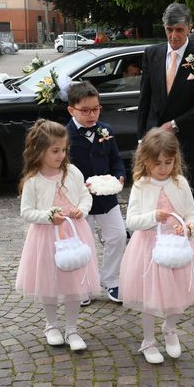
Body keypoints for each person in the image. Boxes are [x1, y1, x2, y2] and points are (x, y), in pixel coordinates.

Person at [119, 129, 194, 364]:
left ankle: (170, 328)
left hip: (178, 246)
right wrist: (154, 216)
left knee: (179, 294)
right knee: (150, 297)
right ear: (145, 160)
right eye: (157, 163)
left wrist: (187, 228)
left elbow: (191, 214)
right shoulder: (141, 186)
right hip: (149, 248)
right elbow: (132, 220)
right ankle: (148, 340)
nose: (163, 168)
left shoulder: (180, 183)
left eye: (168, 162)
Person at [15, 119, 101, 351]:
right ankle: (51, 325)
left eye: (64, 150)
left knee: (74, 285)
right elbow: (26, 212)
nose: (61, 155)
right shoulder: (34, 180)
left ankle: (72, 328)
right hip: (46, 238)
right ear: (38, 151)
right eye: (55, 151)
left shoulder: (72, 172)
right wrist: (47, 216)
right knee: (49, 282)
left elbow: (85, 196)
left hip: (74, 232)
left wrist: (81, 210)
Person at [137, 2, 194, 192]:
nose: (173, 36)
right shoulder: (151, 53)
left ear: (189, 27)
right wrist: (142, 139)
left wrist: (175, 125)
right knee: (157, 194)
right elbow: (144, 100)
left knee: (186, 193)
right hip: (154, 138)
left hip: (187, 140)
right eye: (169, 30)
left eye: (179, 30)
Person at [65, 82, 127, 306]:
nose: (92, 114)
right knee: (83, 244)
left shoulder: (106, 130)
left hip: (107, 197)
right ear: (72, 110)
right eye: (86, 110)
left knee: (118, 236)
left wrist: (119, 176)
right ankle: (83, 283)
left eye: (96, 109)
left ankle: (110, 278)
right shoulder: (65, 136)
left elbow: (115, 160)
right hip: (80, 202)